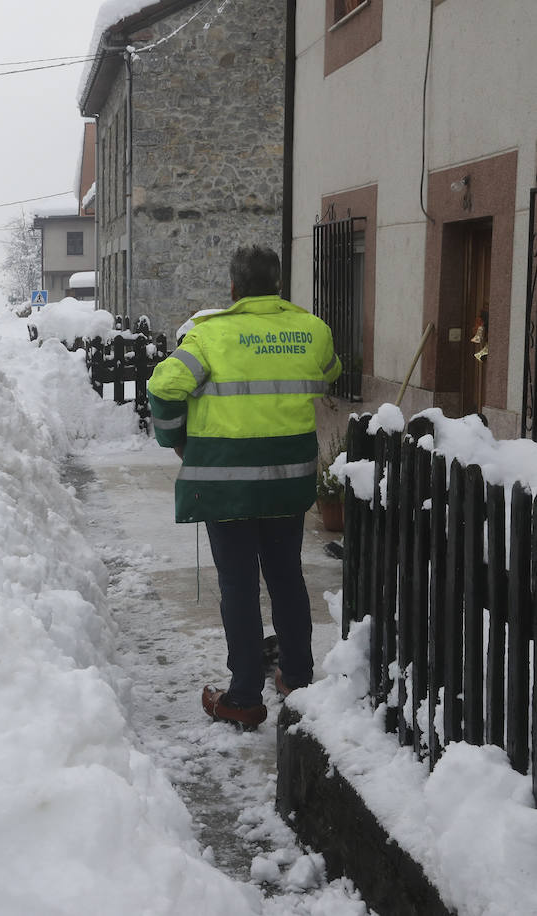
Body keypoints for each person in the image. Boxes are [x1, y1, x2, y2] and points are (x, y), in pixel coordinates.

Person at [147, 245, 341, 728]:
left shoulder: (210, 336)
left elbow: (164, 388)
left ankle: (243, 697)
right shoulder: (312, 330)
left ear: (233, 289)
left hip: (227, 484)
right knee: (287, 576)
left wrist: (177, 440)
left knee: (238, 586)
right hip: (288, 482)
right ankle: (296, 676)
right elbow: (331, 373)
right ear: (277, 283)